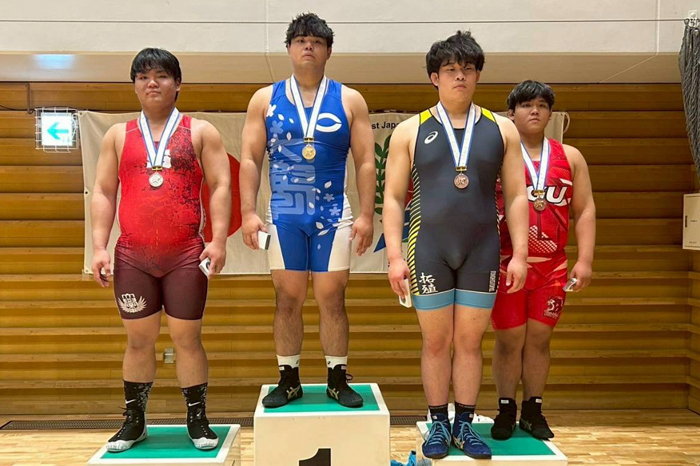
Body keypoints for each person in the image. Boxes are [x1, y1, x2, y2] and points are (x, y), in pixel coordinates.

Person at [383, 31, 529, 460]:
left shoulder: (502, 129)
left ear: (478, 75)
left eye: (467, 69)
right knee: (435, 342)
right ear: (435, 77)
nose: (459, 76)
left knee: (469, 342)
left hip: (481, 250)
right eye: (450, 69)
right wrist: (394, 256)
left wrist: (520, 254)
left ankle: (464, 425)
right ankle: (437, 424)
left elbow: (517, 195)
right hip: (428, 248)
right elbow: (393, 198)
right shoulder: (410, 131)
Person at [90, 48, 231, 451]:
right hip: (133, 256)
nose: (152, 83)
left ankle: (197, 420)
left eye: (161, 75)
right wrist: (98, 247)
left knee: (188, 338)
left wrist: (219, 240)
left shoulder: (200, 131)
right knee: (138, 340)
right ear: (134, 85)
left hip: (185, 254)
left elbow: (221, 185)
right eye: (143, 77)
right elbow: (103, 191)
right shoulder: (118, 135)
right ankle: (134, 422)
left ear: (177, 83)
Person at [239, 13, 375, 408]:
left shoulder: (350, 100)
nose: (308, 46)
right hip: (285, 215)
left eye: (316, 41)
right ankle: (289, 379)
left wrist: (367, 215)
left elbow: (366, 162)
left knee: (333, 299)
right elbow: (249, 159)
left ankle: (337, 378)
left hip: (333, 215)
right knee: (287, 299)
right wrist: (248, 212)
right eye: (300, 40)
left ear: (329, 50)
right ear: (289, 49)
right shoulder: (264, 99)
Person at [490, 80, 596, 440]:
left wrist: (585, 259)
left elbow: (584, 209)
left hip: (552, 266)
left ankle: (533, 410)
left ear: (551, 113)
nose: (534, 111)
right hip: (507, 263)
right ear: (511, 114)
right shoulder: (498, 157)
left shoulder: (570, 157)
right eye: (525, 105)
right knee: (509, 340)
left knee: (539, 339)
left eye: (541, 105)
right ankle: (506, 409)